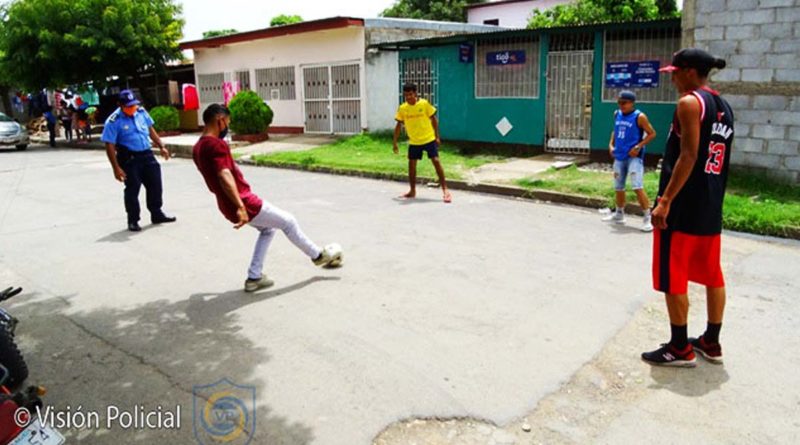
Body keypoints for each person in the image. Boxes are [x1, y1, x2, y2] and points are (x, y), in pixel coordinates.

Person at [641, 48, 733, 367]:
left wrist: (665, 200)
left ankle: (680, 348)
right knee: (712, 274)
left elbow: (689, 155)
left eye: (675, 72)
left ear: (690, 72)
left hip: (682, 206)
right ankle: (712, 340)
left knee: (673, 274)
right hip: (709, 205)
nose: (673, 78)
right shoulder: (723, 106)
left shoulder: (689, 103)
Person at [192, 104, 342, 293]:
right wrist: (240, 206)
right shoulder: (215, 144)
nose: (227, 127)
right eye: (227, 123)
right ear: (220, 120)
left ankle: (254, 277)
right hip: (243, 201)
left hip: (226, 203)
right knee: (288, 221)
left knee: (268, 230)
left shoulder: (198, 147)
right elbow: (223, 175)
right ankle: (318, 255)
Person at [101, 89, 176, 232]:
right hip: (129, 158)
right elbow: (109, 145)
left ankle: (156, 213)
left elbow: (150, 129)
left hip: (147, 154)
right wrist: (116, 168)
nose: (132, 108)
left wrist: (161, 146)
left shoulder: (141, 112)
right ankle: (133, 220)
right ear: (120, 105)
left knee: (155, 184)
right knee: (132, 189)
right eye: (128, 106)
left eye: (133, 105)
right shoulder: (113, 121)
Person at [603, 90, 657, 232]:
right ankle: (619, 214)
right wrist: (611, 144)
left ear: (632, 103)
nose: (621, 105)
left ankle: (647, 217)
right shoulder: (617, 114)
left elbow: (652, 134)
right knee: (618, 187)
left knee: (637, 186)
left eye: (624, 103)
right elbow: (615, 131)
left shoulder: (639, 117)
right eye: (619, 103)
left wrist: (639, 146)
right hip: (619, 155)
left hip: (634, 157)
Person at [392, 83, 452, 203]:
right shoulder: (403, 108)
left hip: (429, 139)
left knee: (436, 161)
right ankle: (412, 190)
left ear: (415, 93)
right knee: (412, 165)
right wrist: (395, 142)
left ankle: (445, 190)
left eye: (410, 94)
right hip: (414, 142)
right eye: (406, 95)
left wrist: (437, 136)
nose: (408, 97)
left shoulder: (424, 104)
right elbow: (398, 125)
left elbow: (434, 120)